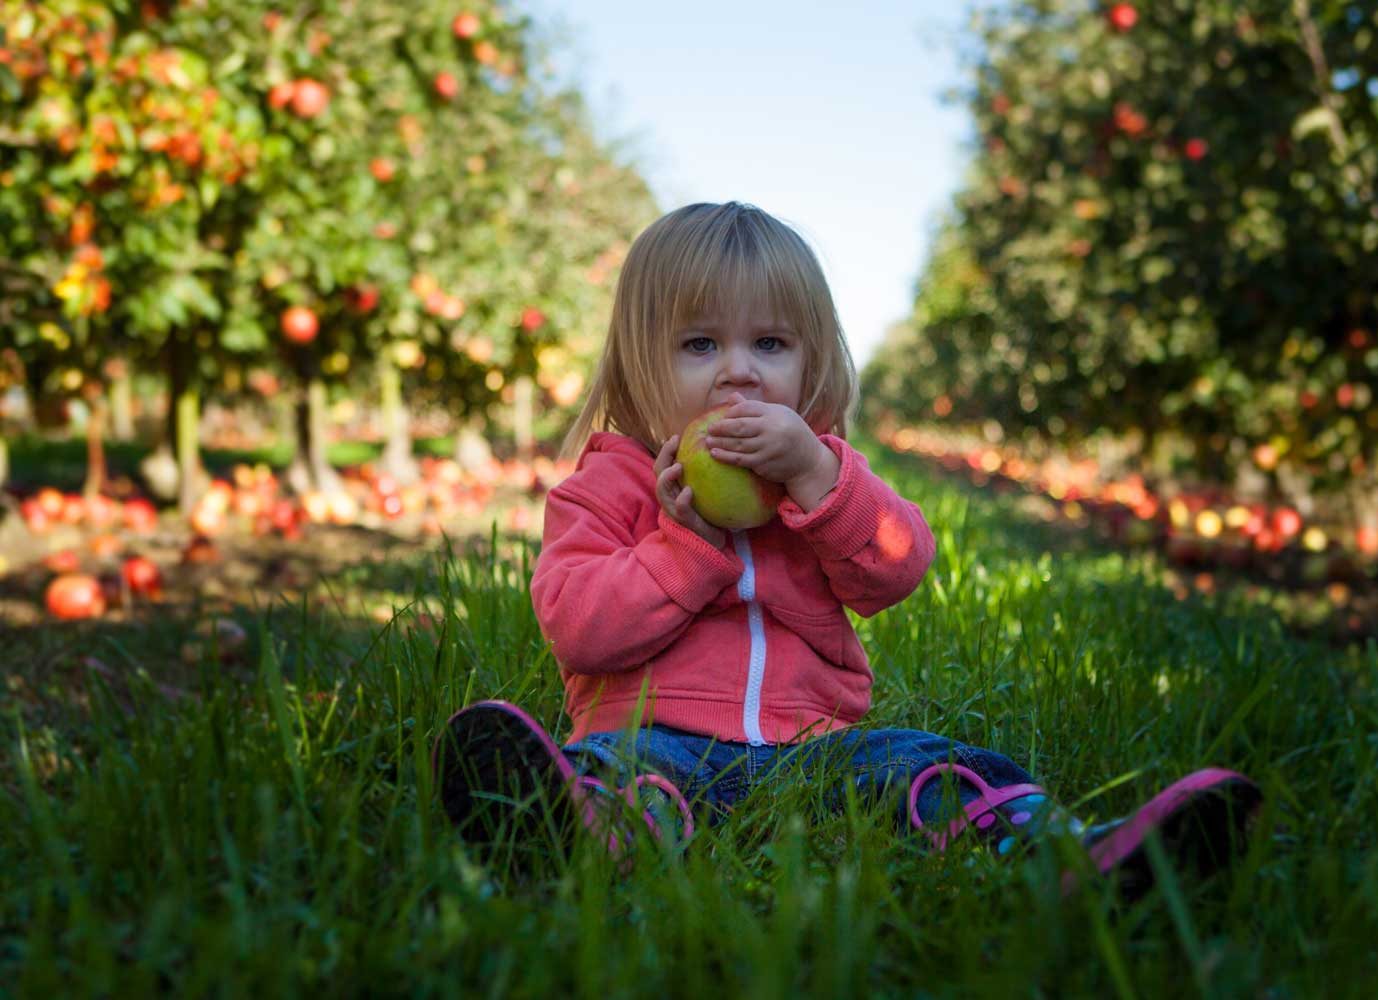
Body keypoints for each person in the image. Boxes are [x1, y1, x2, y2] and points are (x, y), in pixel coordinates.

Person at [432, 201, 1260, 897]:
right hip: (657, 735)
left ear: (811, 359)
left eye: (770, 345)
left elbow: (898, 568)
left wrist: (817, 478)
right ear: (638, 360)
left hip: (816, 747)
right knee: (617, 771)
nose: (738, 374)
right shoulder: (606, 487)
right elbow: (579, 629)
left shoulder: (823, 475)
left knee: (932, 766)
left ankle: (1071, 855)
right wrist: (685, 547)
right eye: (699, 344)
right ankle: (572, 829)